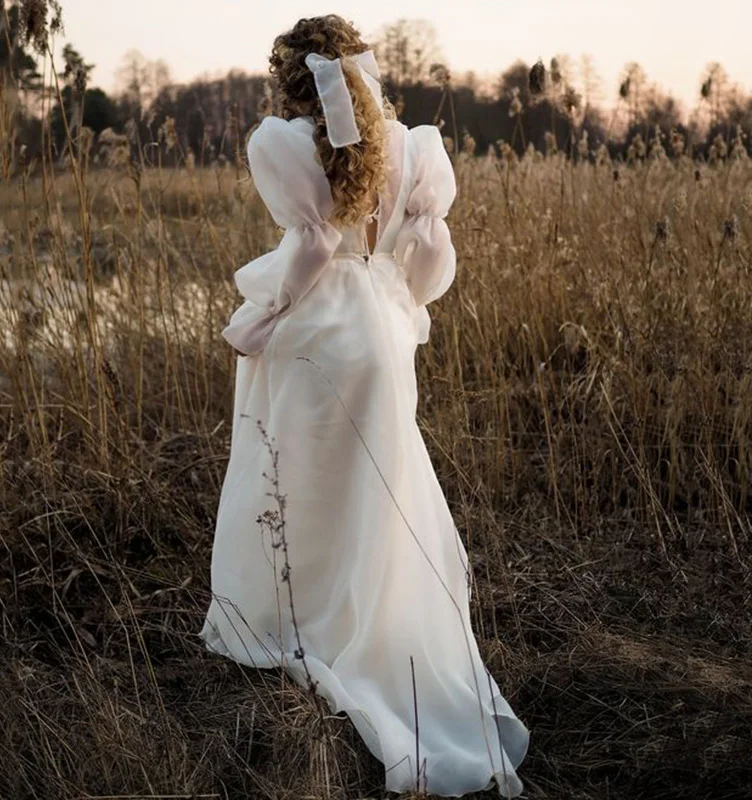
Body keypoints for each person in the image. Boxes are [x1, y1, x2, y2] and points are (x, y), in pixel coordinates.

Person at [198, 14, 529, 797]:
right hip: (380, 325)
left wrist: (268, 314)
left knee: (305, 478)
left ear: (292, 75)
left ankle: (305, 621)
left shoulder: (281, 141)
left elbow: (312, 248)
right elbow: (430, 248)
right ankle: (376, 616)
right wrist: (403, 306)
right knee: (379, 483)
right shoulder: (412, 145)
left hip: (322, 330)